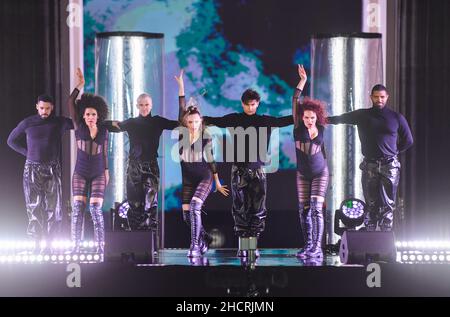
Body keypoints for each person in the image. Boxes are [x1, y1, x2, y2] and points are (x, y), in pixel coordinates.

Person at [201, 83, 293, 257]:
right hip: (239, 170)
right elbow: (213, 120)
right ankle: (243, 246)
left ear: (257, 104)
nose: (250, 108)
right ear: (242, 104)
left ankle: (253, 246)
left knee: (257, 210)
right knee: (240, 208)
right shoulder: (234, 118)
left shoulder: (265, 120)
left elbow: (286, 120)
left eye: (253, 104)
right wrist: (194, 114)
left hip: (258, 170)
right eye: (247, 104)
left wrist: (303, 109)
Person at [327, 84, 413, 231]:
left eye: (382, 97)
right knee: (371, 203)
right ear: (371, 97)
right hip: (370, 165)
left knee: (388, 204)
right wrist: (322, 119)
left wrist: (394, 151)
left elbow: (408, 140)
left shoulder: (396, 117)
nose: (379, 100)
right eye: (376, 97)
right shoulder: (362, 115)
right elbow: (340, 119)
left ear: (387, 97)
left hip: (390, 165)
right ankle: (370, 235)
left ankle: (385, 237)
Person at [7, 94, 73, 252]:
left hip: (52, 168)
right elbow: (10, 141)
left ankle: (51, 246)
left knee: (54, 208)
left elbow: (78, 121)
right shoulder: (28, 122)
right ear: (37, 106)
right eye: (42, 108)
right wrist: (28, 153)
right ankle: (36, 246)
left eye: (48, 108)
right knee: (34, 207)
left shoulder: (59, 122)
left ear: (52, 108)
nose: (45, 111)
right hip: (32, 169)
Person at [105, 91, 178, 231]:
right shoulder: (131, 122)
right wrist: (98, 122)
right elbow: (115, 127)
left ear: (151, 105)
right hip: (134, 166)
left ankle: (150, 239)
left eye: (147, 105)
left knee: (149, 202)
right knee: (134, 202)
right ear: (137, 106)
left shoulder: (158, 121)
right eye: (141, 105)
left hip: (150, 165)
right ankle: (135, 236)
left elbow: (177, 124)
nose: (144, 107)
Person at [175, 70, 229, 258]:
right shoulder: (182, 131)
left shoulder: (206, 137)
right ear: (185, 121)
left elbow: (212, 160)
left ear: (201, 121)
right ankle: (205, 238)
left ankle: (195, 245)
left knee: (196, 207)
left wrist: (217, 181)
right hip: (188, 178)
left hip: (204, 176)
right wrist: (181, 87)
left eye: (196, 122)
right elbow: (182, 107)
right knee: (186, 216)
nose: (193, 124)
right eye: (190, 121)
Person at [68, 68, 109, 253]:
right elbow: (70, 101)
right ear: (82, 115)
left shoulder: (103, 130)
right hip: (80, 172)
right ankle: (76, 246)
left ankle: (100, 247)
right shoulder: (78, 125)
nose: (90, 117)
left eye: (93, 114)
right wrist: (80, 86)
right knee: (77, 208)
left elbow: (104, 152)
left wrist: (107, 171)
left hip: (98, 172)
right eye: (87, 114)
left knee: (94, 209)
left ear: (98, 115)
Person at [292, 65, 329, 259]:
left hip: (320, 172)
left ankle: (317, 247)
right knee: (303, 211)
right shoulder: (298, 126)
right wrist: (303, 81)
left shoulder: (321, 128)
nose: (309, 120)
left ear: (317, 117)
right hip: (303, 173)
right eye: (306, 117)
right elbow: (295, 100)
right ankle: (308, 246)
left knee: (316, 209)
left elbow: (323, 152)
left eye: (312, 117)